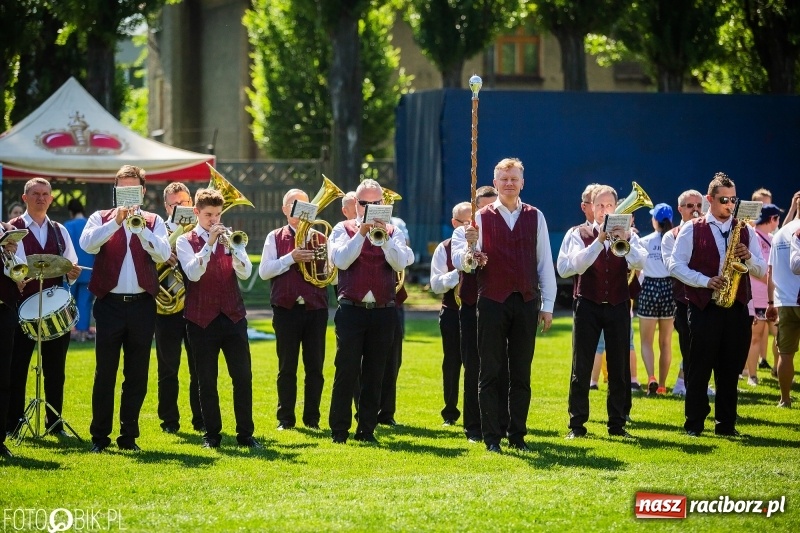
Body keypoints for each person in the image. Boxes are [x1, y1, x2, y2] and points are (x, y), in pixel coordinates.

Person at [453, 158, 556, 453]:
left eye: (514, 178)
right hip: (491, 302)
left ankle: (518, 435)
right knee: (490, 371)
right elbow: (467, 262)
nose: (509, 183)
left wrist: (547, 304)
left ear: (522, 182)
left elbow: (544, 262)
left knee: (522, 372)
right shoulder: (480, 218)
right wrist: (471, 248)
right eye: (504, 179)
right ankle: (491, 437)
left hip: (525, 301)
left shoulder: (536, 216)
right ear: (495, 183)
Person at [80, 165, 171, 453]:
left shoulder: (154, 220)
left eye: (133, 189)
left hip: (142, 305)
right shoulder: (100, 217)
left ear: (142, 191)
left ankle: (128, 436)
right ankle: (100, 437)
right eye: (123, 189)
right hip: (109, 304)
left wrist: (142, 230)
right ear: (116, 191)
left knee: (137, 373)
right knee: (104, 372)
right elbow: (87, 245)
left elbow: (164, 254)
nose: (128, 194)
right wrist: (115, 222)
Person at [669, 172, 766, 437]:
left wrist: (748, 259)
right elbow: (674, 265)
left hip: (736, 306)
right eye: (724, 199)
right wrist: (704, 281)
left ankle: (726, 424)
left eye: (733, 199)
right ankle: (695, 423)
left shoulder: (745, 230)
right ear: (710, 199)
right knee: (698, 368)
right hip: (704, 306)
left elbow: (761, 269)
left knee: (730, 369)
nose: (730, 204)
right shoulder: (692, 227)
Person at [327, 179, 414, 445]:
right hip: (352, 309)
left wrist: (385, 240)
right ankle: (339, 430)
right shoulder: (342, 229)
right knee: (346, 370)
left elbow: (402, 261)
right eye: (365, 203)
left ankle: (366, 429)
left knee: (376, 373)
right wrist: (362, 233)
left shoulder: (393, 230)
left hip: (383, 310)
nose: (370, 207)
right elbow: (340, 260)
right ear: (355, 204)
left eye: (376, 203)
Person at [559, 184, 646, 439]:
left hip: (619, 305)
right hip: (587, 304)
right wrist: (598, 243)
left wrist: (626, 238)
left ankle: (617, 424)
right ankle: (577, 425)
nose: (604, 210)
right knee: (582, 365)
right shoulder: (578, 233)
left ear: (616, 207)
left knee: (619, 367)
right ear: (591, 208)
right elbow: (566, 268)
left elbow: (642, 263)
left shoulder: (629, 234)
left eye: (609, 206)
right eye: (600, 206)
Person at [176, 188, 260, 449]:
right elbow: (192, 274)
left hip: (233, 316)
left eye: (218, 214)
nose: (214, 220)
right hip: (200, 319)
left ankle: (246, 434)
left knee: (243, 377)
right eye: (209, 214)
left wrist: (233, 248)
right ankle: (212, 435)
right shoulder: (184, 241)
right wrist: (209, 244)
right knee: (206, 379)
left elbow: (245, 273)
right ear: (196, 213)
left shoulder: (231, 238)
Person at [6, 178, 81, 439]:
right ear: (25, 198)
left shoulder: (60, 229)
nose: (41, 198)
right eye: (35, 194)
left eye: (45, 194)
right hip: (20, 310)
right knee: (16, 368)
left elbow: (71, 265)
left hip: (53, 307)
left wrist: (72, 272)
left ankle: (55, 422)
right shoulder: (12, 228)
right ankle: (12, 423)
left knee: (55, 369)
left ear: (51, 199)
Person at [259, 188, 328, 431]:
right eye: (294, 205)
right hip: (286, 309)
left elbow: (330, 274)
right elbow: (264, 271)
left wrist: (323, 261)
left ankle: (312, 419)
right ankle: (285, 419)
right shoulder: (274, 237)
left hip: (315, 309)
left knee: (315, 368)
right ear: (285, 210)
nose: (299, 210)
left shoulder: (320, 237)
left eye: (305, 206)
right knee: (286, 367)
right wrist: (291, 258)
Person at [453, 186, 509, 443]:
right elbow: (460, 261)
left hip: (500, 304)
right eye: (483, 207)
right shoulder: (462, 233)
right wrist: (470, 247)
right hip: (471, 305)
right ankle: (474, 426)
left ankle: (501, 422)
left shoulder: (503, 227)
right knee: (474, 366)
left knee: (502, 366)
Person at [155, 182, 203, 434]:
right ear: (166, 206)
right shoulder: (157, 230)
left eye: (186, 203)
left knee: (199, 367)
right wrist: (163, 256)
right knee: (168, 367)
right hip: (167, 310)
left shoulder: (198, 231)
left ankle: (201, 419)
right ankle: (169, 421)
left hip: (195, 307)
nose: (181, 208)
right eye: (176, 204)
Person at [430, 201, 472, 426]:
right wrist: (459, 272)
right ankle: (450, 412)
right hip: (452, 311)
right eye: (465, 223)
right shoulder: (443, 248)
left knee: (477, 363)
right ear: (455, 223)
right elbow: (436, 285)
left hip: (476, 312)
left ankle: (476, 412)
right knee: (452, 362)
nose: (469, 226)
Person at [661, 189, 704, 398]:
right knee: (689, 348)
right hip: (684, 299)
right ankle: (690, 391)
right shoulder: (671, 236)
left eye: (698, 206)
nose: (695, 210)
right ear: (680, 209)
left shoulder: (710, 230)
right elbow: (673, 266)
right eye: (690, 206)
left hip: (709, 298)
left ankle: (702, 387)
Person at [766, 190, 800, 408]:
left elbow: (770, 271)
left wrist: (771, 303)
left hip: (784, 300)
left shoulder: (779, 234)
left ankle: (784, 399)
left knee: (785, 353)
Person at [637, 203, 675, 396]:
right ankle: (662, 385)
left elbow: (636, 268)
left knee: (646, 341)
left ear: (654, 220)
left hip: (649, 288)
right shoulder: (674, 240)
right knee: (666, 342)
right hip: (669, 288)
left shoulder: (644, 241)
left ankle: (650, 376)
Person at [377, 214, 411, 427]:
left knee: (392, 359)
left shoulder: (396, 224)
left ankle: (386, 412)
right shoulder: (347, 228)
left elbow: (406, 254)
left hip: (391, 298)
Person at [743, 204, 782, 386]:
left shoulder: (773, 238)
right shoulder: (753, 235)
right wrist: (766, 277)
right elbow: (748, 266)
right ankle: (752, 376)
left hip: (773, 297)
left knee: (780, 335)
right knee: (755, 336)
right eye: (777, 218)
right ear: (772, 219)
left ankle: (778, 369)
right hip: (756, 296)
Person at [0, 221, 20, 457]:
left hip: (4, 310)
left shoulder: (5, 228)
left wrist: (11, 254)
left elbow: (19, 266)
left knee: (3, 379)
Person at [63, 199, 95, 342]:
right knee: (85, 302)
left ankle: (69, 330)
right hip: (88, 270)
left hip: (71, 269)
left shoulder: (67, 226)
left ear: (71, 211)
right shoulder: (90, 224)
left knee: (68, 301)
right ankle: (83, 331)